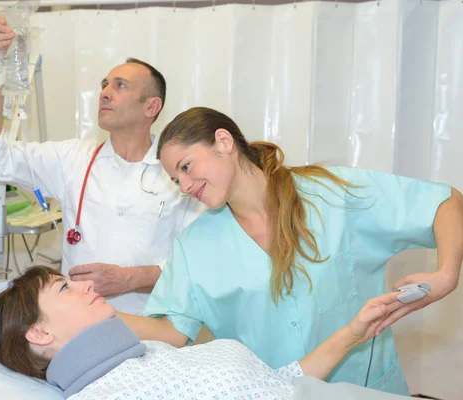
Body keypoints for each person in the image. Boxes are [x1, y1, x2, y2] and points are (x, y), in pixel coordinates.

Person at [118, 107, 463, 395]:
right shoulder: (194, 247)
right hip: (277, 394)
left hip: (366, 388)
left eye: (186, 167)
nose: (186, 186)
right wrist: (97, 314)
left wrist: (447, 274)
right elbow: (172, 332)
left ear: (224, 142)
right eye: (176, 181)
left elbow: (444, 202)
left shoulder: (331, 194)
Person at [0, 16, 204, 314]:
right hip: (80, 328)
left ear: (151, 107)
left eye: (120, 85)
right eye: (104, 84)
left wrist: (129, 279)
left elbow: (199, 263)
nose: (104, 92)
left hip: (155, 331)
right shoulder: (73, 159)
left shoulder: (182, 172)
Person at [0, 265, 410, 400]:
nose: (86, 284)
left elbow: (279, 383)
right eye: (65, 288)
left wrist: (354, 332)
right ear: (38, 334)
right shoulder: (108, 393)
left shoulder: (141, 355)